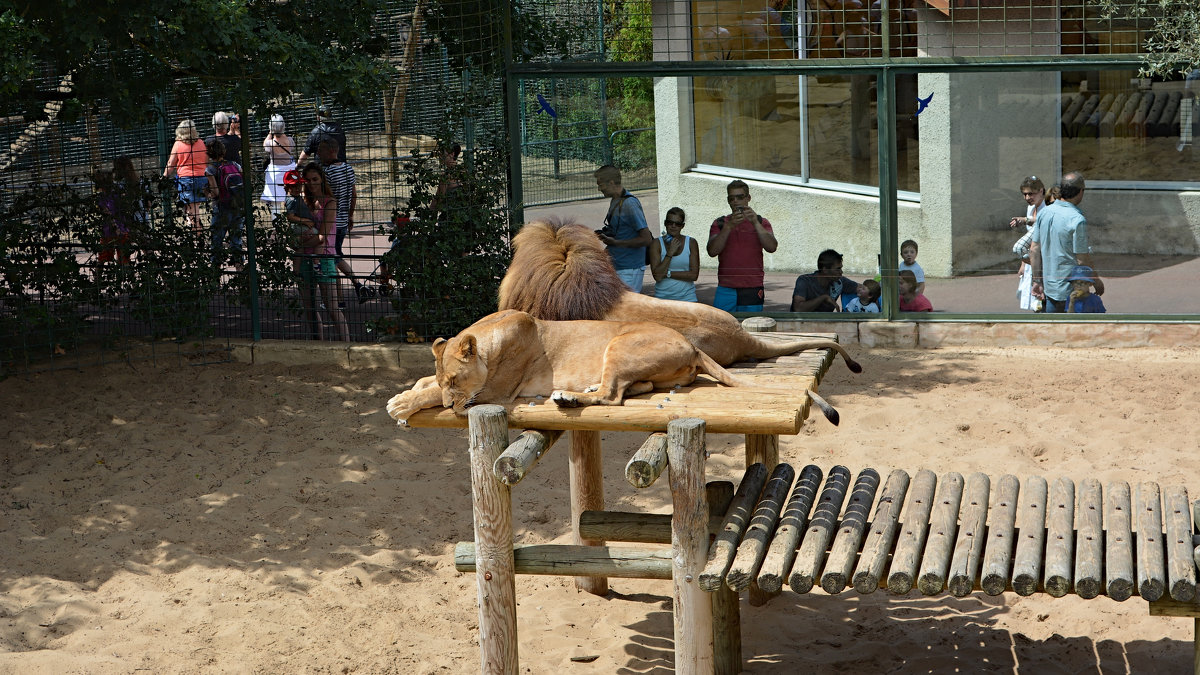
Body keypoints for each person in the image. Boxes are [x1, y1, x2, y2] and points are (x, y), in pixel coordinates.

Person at [1031, 171, 1104, 313]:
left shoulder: (1044, 212)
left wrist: (1037, 281)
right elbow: (1082, 259)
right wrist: (1096, 281)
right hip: (1071, 290)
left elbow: (1034, 249)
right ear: (1081, 191)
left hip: (1049, 288)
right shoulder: (1077, 220)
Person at [708, 179, 778, 312]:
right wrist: (729, 227)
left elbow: (772, 247)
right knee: (722, 327)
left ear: (748, 198)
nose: (735, 201)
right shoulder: (720, 223)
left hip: (752, 286)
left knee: (751, 326)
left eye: (740, 197)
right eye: (731, 198)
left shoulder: (761, 222)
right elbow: (712, 251)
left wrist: (755, 223)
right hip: (726, 287)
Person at [317, 138, 372, 304]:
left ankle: (344, 294)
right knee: (335, 255)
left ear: (330, 151)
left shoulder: (327, 172)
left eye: (320, 151)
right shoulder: (348, 169)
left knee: (333, 257)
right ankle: (348, 292)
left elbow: (325, 196)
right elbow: (353, 194)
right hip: (342, 220)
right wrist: (350, 214)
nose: (318, 155)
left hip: (330, 221)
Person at [303, 162, 349, 342]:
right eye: (307, 180)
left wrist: (301, 242)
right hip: (305, 256)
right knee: (310, 307)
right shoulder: (305, 202)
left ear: (322, 179)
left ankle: (346, 346)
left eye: (315, 179)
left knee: (332, 306)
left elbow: (323, 235)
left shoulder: (330, 202)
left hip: (324, 257)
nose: (311, 183)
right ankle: (318, 344)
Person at [594, 164, 652, 292]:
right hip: (618, 265)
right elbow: (621, 230)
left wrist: (616, 243)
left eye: (600, 185)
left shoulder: (630, 204)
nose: (599, 189)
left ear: (611, 182)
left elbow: (646, 239)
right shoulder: (616, 199)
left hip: (629, 268)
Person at [283, 169, 322, 338]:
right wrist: (305, 220)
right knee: (315, 234)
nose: (297, 188)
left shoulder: (297, 198)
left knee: (300, 248)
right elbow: (290, 217)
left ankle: (298, 270)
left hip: (301, 225)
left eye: (299, 186)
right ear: (288, 187)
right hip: (299, 226)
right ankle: (314, 262)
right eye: (294, 186)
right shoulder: (291, 200)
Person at [1010, 176, 1050, 311]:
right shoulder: (1030, 208)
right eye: (1024, 194)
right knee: (1034, 300)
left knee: (1043, 297)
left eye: (1031, 194)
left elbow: (1041, 221)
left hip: (1043, 258)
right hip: (1031, 258)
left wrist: (1024, 220)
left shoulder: (1048, 207)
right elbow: (1028, 239)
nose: (1027, 198)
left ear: (1041, 191)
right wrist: (1023, 263)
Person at [203, 139, 244, 266]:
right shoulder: (235, 165)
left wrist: (207, 194)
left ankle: (216, 273)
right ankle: (241, 272)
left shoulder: (210, 169)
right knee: (236, 241)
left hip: (221, 208)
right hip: (237, 206)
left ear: (209, 154)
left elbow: (215, 192)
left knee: (217, 241)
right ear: (223, 151)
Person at [162, 119, 208, 233]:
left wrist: (164, 177)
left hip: (186, 180)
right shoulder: (201, 143)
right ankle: (194, 231)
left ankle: (197, 234)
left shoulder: (178, 144)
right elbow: (206, 161)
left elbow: (170, 164)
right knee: (193, 208)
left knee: (192, 210)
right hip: (201, 178)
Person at [648, 207, 700, 302]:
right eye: (670, 222)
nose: (673, 226)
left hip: (687, 298)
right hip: (662, 298)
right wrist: (670, 253)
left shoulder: (691, 243)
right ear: (665, 223)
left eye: (677, 224)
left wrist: (668, 273)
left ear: (682, 226)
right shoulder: (656, 243)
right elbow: (658, 276)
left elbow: (694, 275)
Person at [791, 249, 858, 312]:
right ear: (825, 270)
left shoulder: (839, 282)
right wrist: (823, 298)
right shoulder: (804, 281)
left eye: (841, 268)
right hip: (801, 323)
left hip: (826, 323)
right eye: (838, 269)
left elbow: (864, 288)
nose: (841, 272)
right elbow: (798, 309)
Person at [261, 114, 296, 215]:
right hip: (288, 173)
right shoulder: (290, 140)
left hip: (275, 174)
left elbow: (264, 144)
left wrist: (271, 132)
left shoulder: (270, 143)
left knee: (275, 202)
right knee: (291, 197)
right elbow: (292, 148)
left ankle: (276, 225)